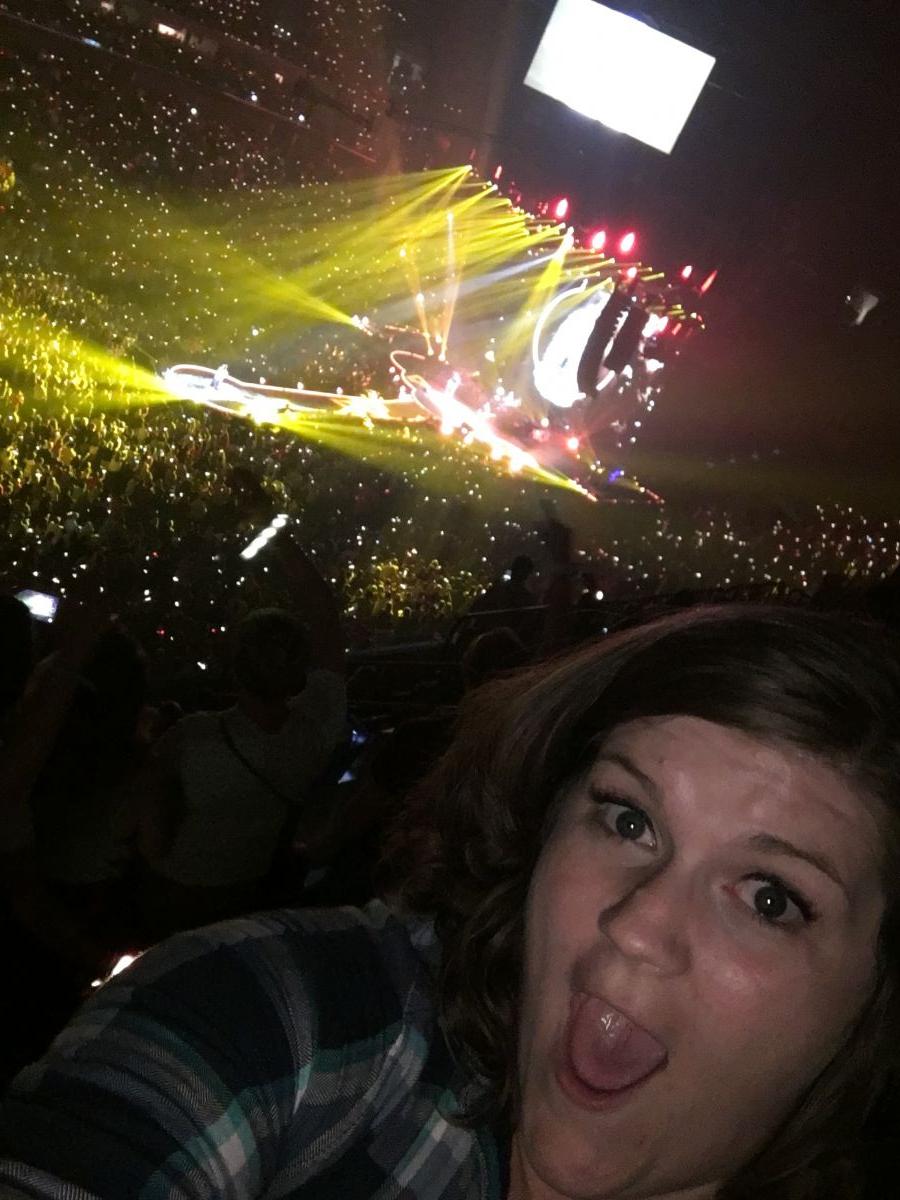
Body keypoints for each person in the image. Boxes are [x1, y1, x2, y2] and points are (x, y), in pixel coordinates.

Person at [3, 604, 900, 1199]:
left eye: (771, 899)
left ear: (875, 1001)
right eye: (629, 820)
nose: (638, 926)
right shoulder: (290, 1027)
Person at [134, 536, 347, 936]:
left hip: (177, 894)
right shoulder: (319, 726)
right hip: (251, 894)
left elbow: (151, 838)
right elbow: (326, 617)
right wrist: (283, 538)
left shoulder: (190, 738)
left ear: (234, 667)